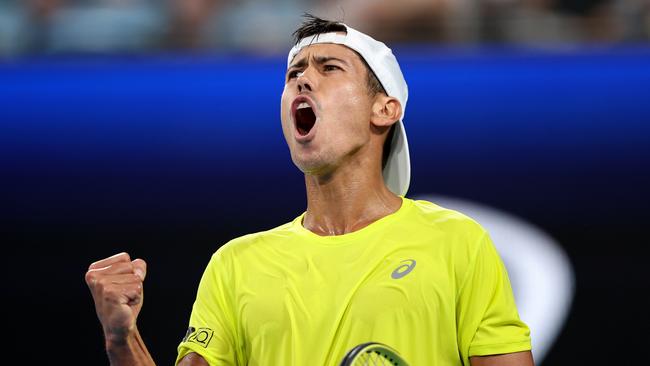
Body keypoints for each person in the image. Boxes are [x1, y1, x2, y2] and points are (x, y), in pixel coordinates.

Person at [85, 14, 534, 366]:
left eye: (329, 68)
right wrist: (120, 338)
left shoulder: (458, 242)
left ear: (385, 109)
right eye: (294, 72)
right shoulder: (235, 264)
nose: (302, 79)